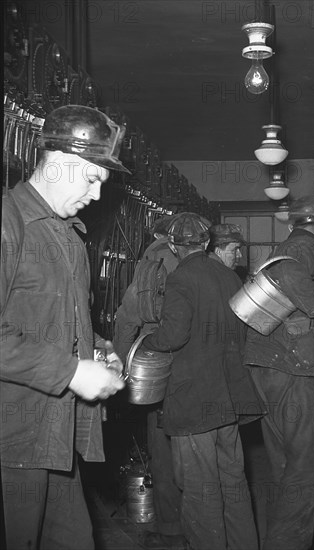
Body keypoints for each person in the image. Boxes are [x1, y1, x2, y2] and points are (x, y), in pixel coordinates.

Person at [1, 105, 128, 549]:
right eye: (92, 179)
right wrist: (72, 372)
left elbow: (62, 319)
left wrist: (96, 347)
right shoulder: (8, 225)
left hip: (55, 439)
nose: (96, 196)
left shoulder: (69, 237)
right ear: (57, 164)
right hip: (12, 445)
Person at [141, 213, 263, 550]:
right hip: (227, 399)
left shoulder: (181, 277)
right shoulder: (229, 277)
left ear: (173, 245)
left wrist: (147, 342)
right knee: (233, 485)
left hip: (194, 403)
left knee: (199, 490)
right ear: (208, 243)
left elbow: (173, 336)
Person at [243, 195, 314, 550]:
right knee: (312, 471)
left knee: (285, 465)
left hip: (267, 365)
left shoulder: (286, 242)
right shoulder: (305, 245)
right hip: (290, 368)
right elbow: (292, 272)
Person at [113, 213, 188, 550]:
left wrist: (123, 361)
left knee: (161, 448)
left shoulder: (146, 267)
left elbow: (126, 318)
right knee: (193, 448)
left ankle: (171, 528)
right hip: (189, 367)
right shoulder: (197, 261)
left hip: (152, 367)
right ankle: (197, 525)